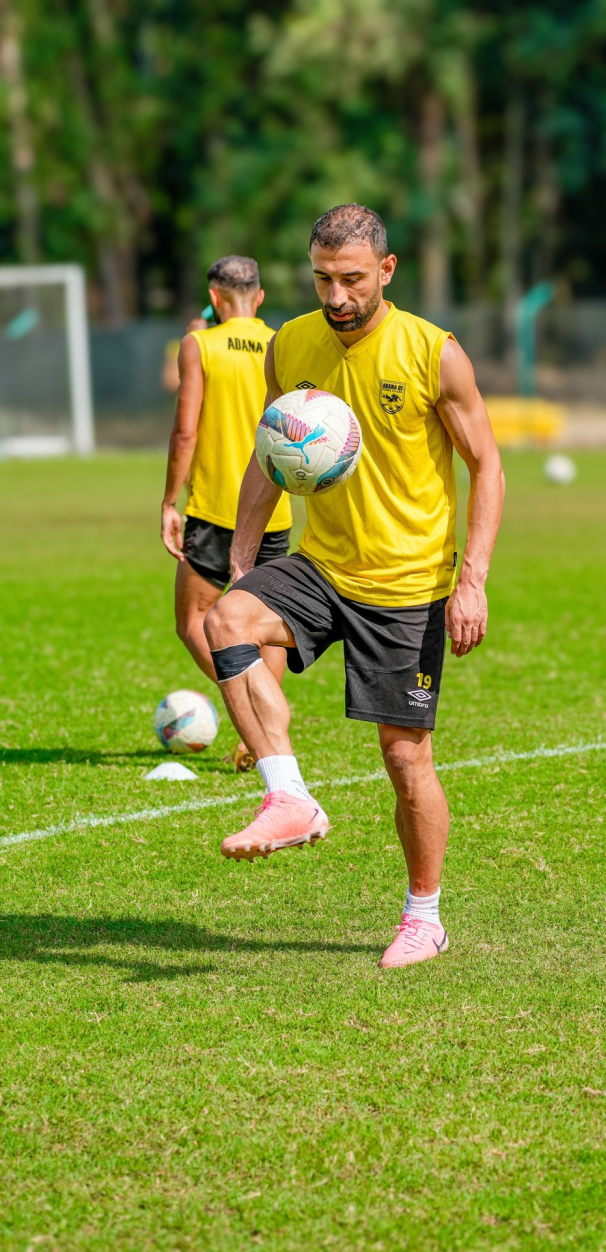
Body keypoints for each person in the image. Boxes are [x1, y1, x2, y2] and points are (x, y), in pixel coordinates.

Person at [204, 205, 504, 968]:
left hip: (408, 583)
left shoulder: (434, 353)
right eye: (322, 278)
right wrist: (243, 554)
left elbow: (488, 466)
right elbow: (271, 451)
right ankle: (288, 795)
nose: (337, 296)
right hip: (324, 563)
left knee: (405, 759)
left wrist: (472, 580)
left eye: (352, 280)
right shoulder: (292, 342)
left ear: (387, 270)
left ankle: (424, 915)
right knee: (226, 619)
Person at [160, 255, 292, 764]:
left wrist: (170, 500)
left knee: (193, 618)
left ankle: (252, 709)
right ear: (258, 298)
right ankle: (268, 709)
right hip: (275, 507)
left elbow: (185, 430)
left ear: (214, 298)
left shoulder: (199, 344)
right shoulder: (282, 341)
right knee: (269, 624)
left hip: (217, 507)